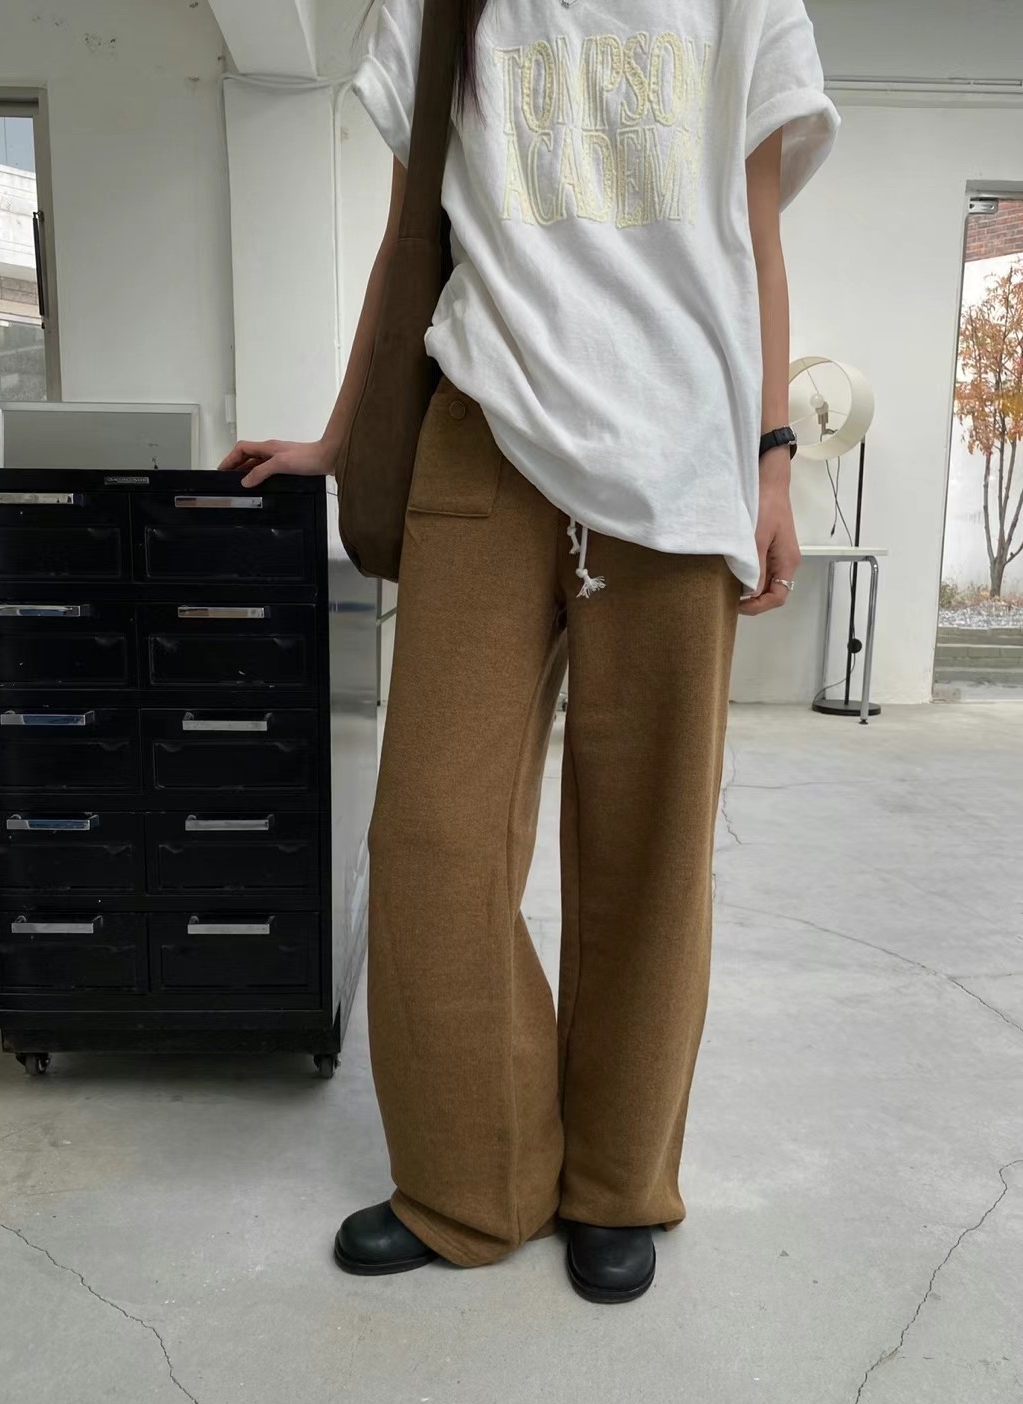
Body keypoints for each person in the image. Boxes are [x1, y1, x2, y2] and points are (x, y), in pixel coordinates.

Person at [219, 0, 839, 1304]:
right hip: (481, 428)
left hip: (681, 446)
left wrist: (776, 460)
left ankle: (617, 1181)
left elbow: (756, 239)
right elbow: (409, 235)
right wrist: (341, 438)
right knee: (432, 837)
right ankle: (469, 1178)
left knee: (649, 847)